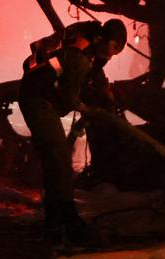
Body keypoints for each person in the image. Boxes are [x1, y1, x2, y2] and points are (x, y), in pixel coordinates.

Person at [16, 17, 127, 244]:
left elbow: (96, 71)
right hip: (38, 99)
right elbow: (70, 98)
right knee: (58, 159)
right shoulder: (79, 56)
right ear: (108, 41)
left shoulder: (88, 36)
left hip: (41, 93)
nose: (112, 57)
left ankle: (58, 221)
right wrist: (91, 111)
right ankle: (63, 222)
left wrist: (107, 95)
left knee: (58, 160)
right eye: (114, 51)